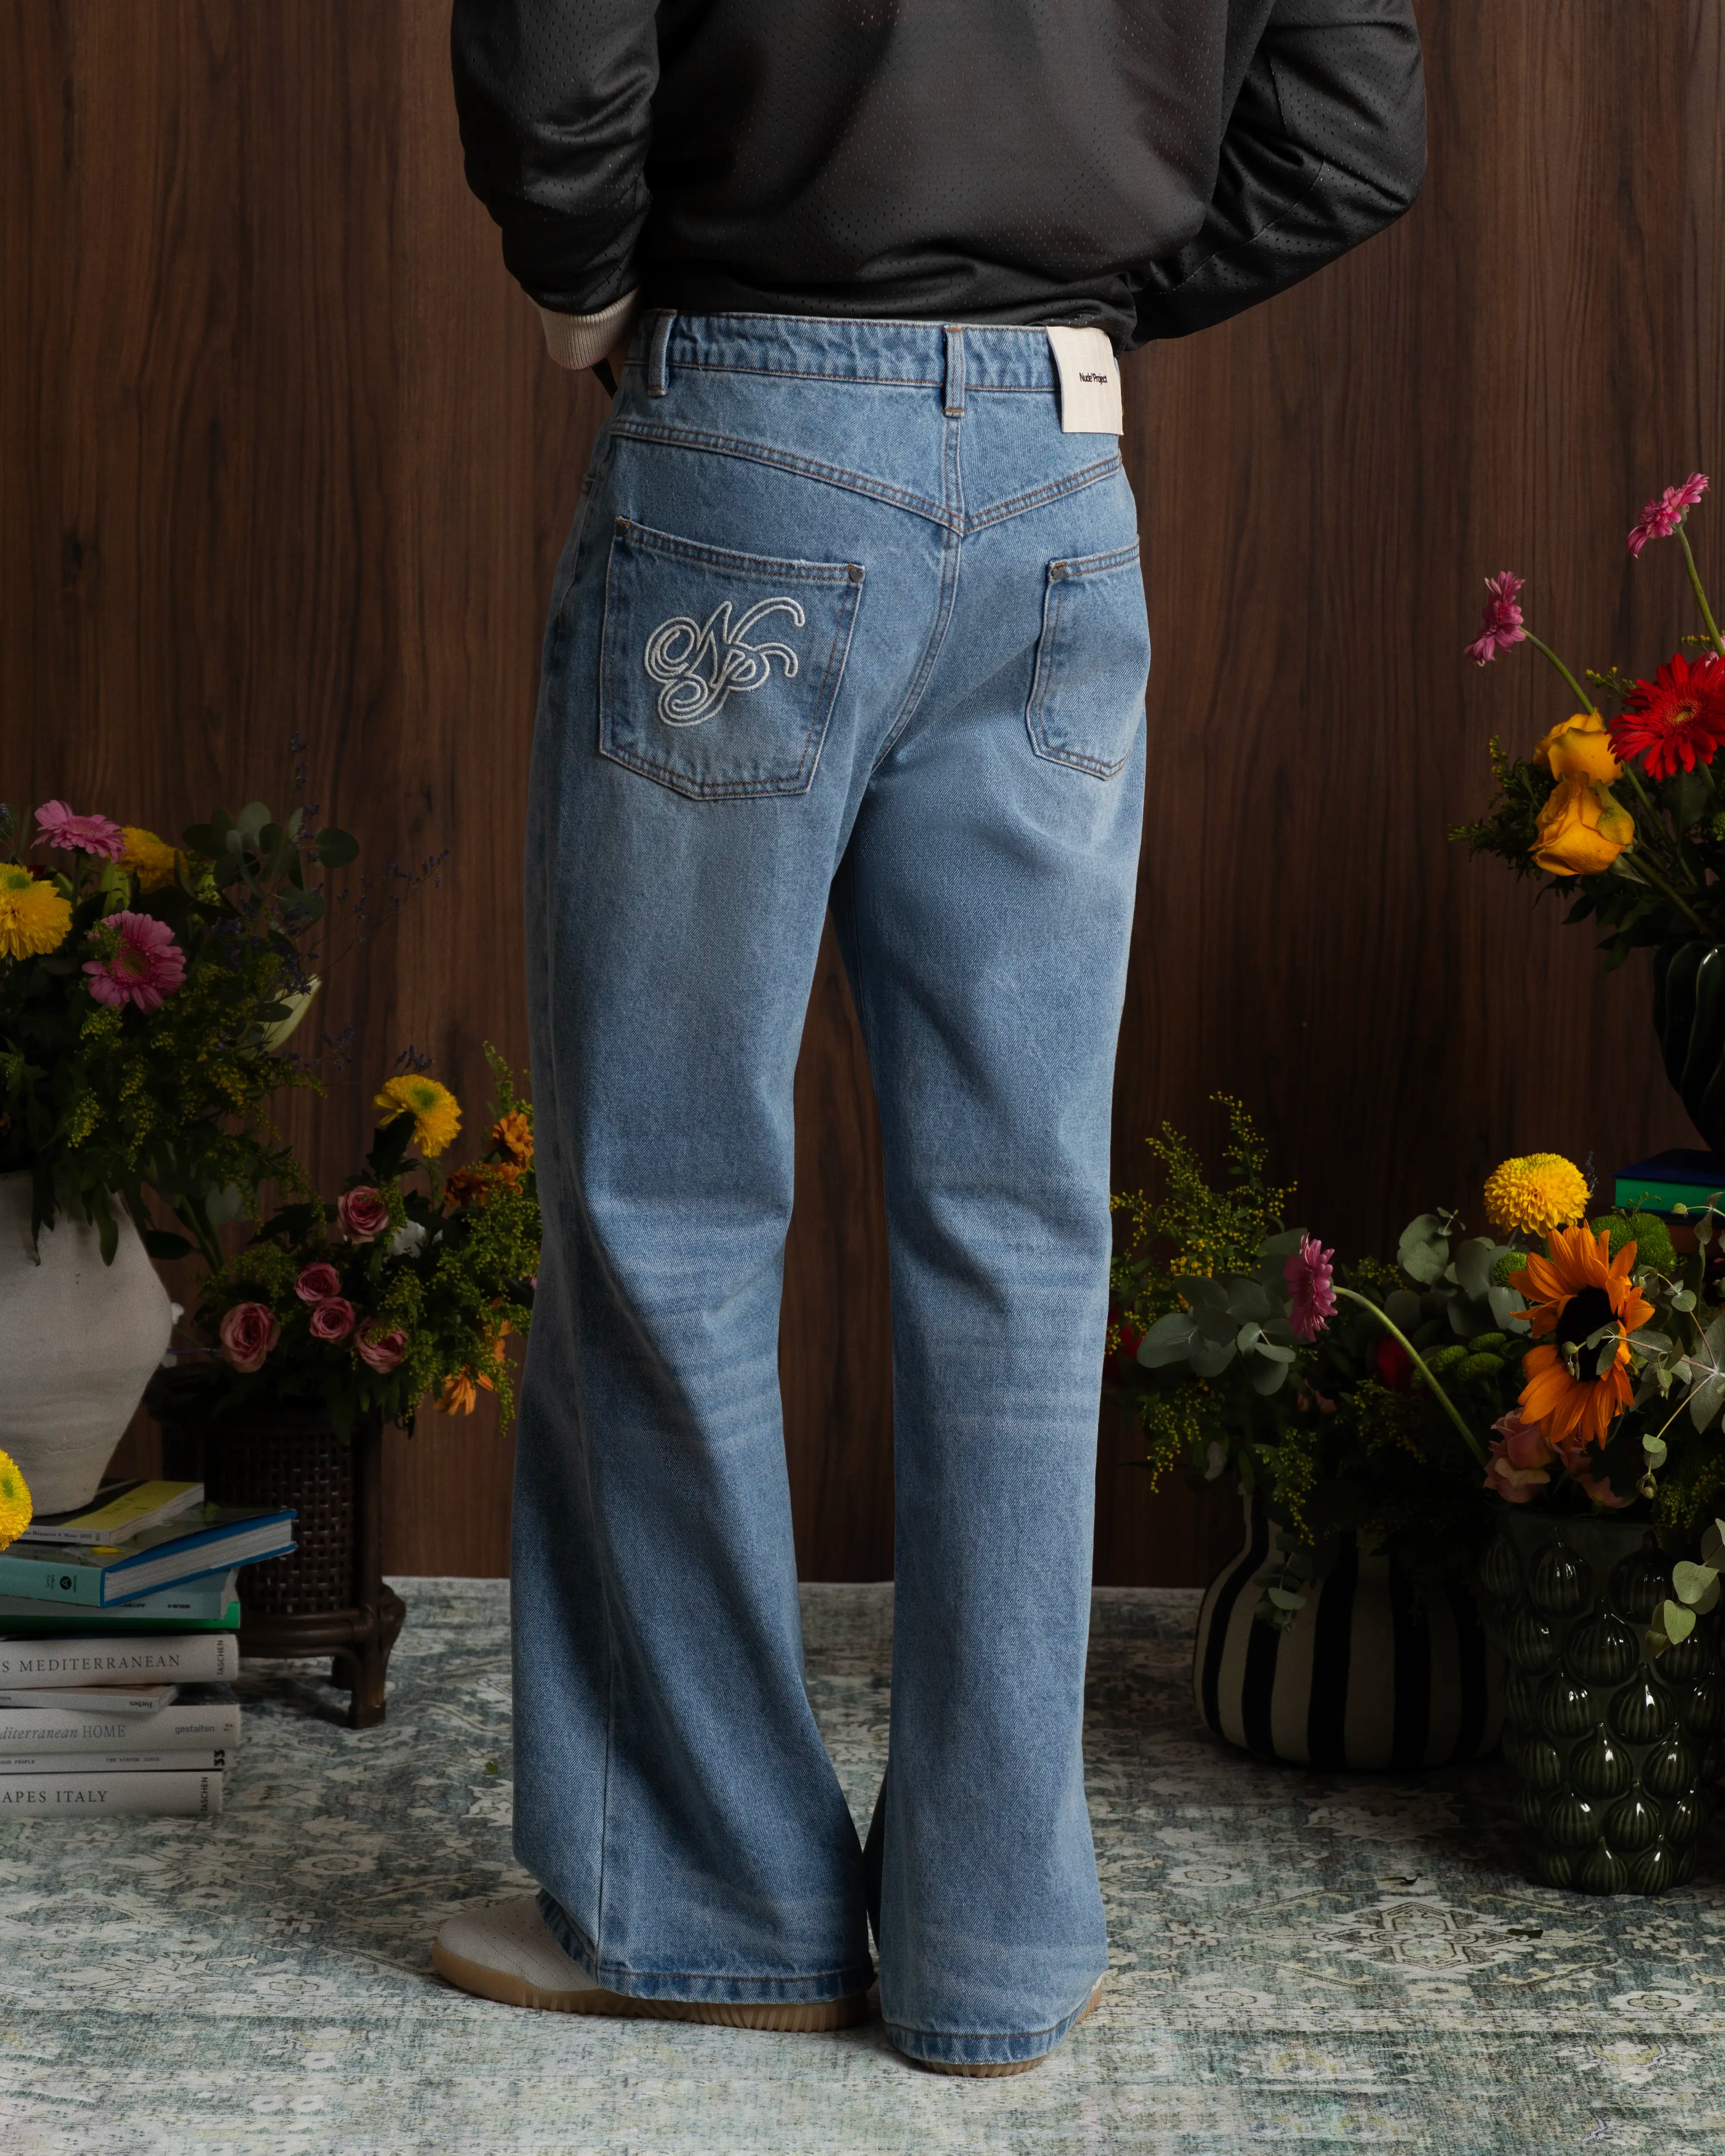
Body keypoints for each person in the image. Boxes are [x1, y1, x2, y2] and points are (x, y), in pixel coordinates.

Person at [434, 0, 1424, 2077]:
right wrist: (1053, 304)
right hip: (1060, 463)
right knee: (1020, 1236)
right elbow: (1352, 128)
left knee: (667, 1201)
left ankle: (709, 1905)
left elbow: (558, 45)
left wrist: (591, 286)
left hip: (750, 428)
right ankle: (992, 1946)